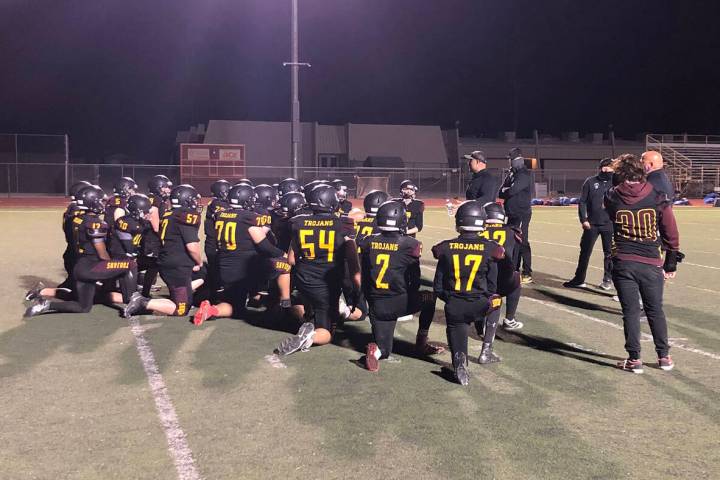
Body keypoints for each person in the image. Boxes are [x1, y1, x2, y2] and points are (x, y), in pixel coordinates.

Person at [604, 153, 682, 373]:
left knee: (630, 312)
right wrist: (671, 263)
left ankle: (634, 359)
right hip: (650, 261)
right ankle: (664, 357)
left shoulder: (612, 196)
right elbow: (671, 231)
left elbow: (611, 212)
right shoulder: (657, 196)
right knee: (655, 310)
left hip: (624, 261)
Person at [24, 185, 138, 317]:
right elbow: (102, 254)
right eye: (100, 200)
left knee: (83, 307)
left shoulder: (77, 219)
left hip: (80, 266)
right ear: (92, 202)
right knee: (130, 264)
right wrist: (112, 267)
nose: (102, 203)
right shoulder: (96, 224)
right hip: (92, 267)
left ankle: (46, 305)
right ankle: (132, 301)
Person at [276, 184, 361, 355]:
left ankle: (307, 319)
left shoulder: (298, 222)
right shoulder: (343, 224)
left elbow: (291, 259)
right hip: (327, 284)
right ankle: (309, 337)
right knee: (327, 332)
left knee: (309, 303)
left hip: (303, 279)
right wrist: (355, 290)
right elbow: (353, 264)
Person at [358, 201, 439, 371]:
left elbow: (364, 273)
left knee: (385, 351)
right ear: (401, 221)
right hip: (399, 301)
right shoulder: (410, 244)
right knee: (430, 298)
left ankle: (376, 351)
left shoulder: (367, 241)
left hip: (376, 305)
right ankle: (421, 342)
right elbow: (414, 280)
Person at [192, 184, 289, 325]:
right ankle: (285, 304)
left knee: (236, 307)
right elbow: (265, 246)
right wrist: (283, 253)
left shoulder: (220, 214)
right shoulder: (250, 218)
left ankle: (211, 310)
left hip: (225, 269)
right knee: (285, 266)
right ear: (246, 200)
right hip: (246, 269)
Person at [432, 200, 504, 385]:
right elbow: (492, 285)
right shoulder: (491, 247)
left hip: (455, 304)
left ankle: (459, 361)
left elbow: (438, 285)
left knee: (456, 326)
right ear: (481, 221)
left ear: (459, 222)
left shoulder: (445, 247)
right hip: (480, 303)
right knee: (496, 302)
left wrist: (449, 298)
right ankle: (486, 349)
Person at [124, 184, 205, 318]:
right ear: (187, 199)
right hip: (177, 267)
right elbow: (192, 246)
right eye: (193, 199)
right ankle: (142, 302)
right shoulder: (186, 216)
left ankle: (182, 293)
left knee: (202, 276)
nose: (195, 202)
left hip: (167, 262)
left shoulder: (169, 214)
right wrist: (198, 261)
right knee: (181, 310)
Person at [563, 158, 615, 290]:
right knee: (585, 252)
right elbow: (583, 201)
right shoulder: (590, 182)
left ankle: (607, 279)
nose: (610, 170)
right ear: (602, 168)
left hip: (610, 224)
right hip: (591, 224)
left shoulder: (616, 182)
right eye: (608, 167)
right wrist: (583, 219)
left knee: (609, 253)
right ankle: (579, 279)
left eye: (612, 167)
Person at [480, 202, 523, 332]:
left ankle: (478, 318)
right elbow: (513, 261)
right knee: (516, 277)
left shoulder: (478, 231)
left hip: (479, 280)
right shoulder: (511, 232)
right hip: (501, 280)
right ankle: (509, 319)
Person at [499, 147, 533, 283]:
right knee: (512, 242)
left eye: (511, 159)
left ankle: (527, 272)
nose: (509, 162)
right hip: (511, 213)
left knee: (522, 241)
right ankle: (514, 269)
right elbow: (500, 192)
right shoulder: (512, 174)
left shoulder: (524, 174)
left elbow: (512, 191)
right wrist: (506, 189)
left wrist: (506, 190)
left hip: (522, 213)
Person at [138, 174, 173, 297]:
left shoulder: (151, 198)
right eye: (165, 187)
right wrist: (162, 233)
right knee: (153, 263)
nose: (168, 190)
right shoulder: (156, 200)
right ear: (158, 187)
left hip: (147, 236)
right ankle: (144, 292)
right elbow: (155, 220)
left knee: (151, 264)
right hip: (152, 237)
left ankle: (144, 290)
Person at [204, 179, 232, 303]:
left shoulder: (216, 203)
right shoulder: (217, 204)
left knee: (218, 271)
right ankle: (214, 298)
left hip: (215, 243)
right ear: (222, 192)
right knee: (217, 272)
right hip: (214, 244)